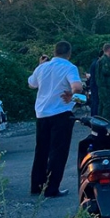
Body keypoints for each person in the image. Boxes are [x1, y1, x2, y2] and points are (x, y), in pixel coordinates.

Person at [27, 41, 82, 198]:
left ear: (54, 51)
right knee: (58, 152)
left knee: (41, 151)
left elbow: (31, 84)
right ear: (69, 53)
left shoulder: (42, 67)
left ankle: (36, 186)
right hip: (61, 113)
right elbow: (77, 87)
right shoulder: (69, 67)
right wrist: (73, 94)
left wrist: (39, 65)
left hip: (42, 114)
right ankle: (52, 188)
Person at [95, 43, 110, 120]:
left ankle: (100, 118)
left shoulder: (103, 59)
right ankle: (105, 119)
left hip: (103, 84)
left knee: (102, 103)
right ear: (109, 49)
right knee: (107, 103)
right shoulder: (105, 59)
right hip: (104, 85)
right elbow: (105, 71)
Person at [87, 50, 103, 116]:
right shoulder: (97, 63)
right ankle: (95, 116)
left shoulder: (95, 62)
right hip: (95, 84)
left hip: (93, 83)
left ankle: (94, 115)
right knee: (96, 101)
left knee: (94, 100)